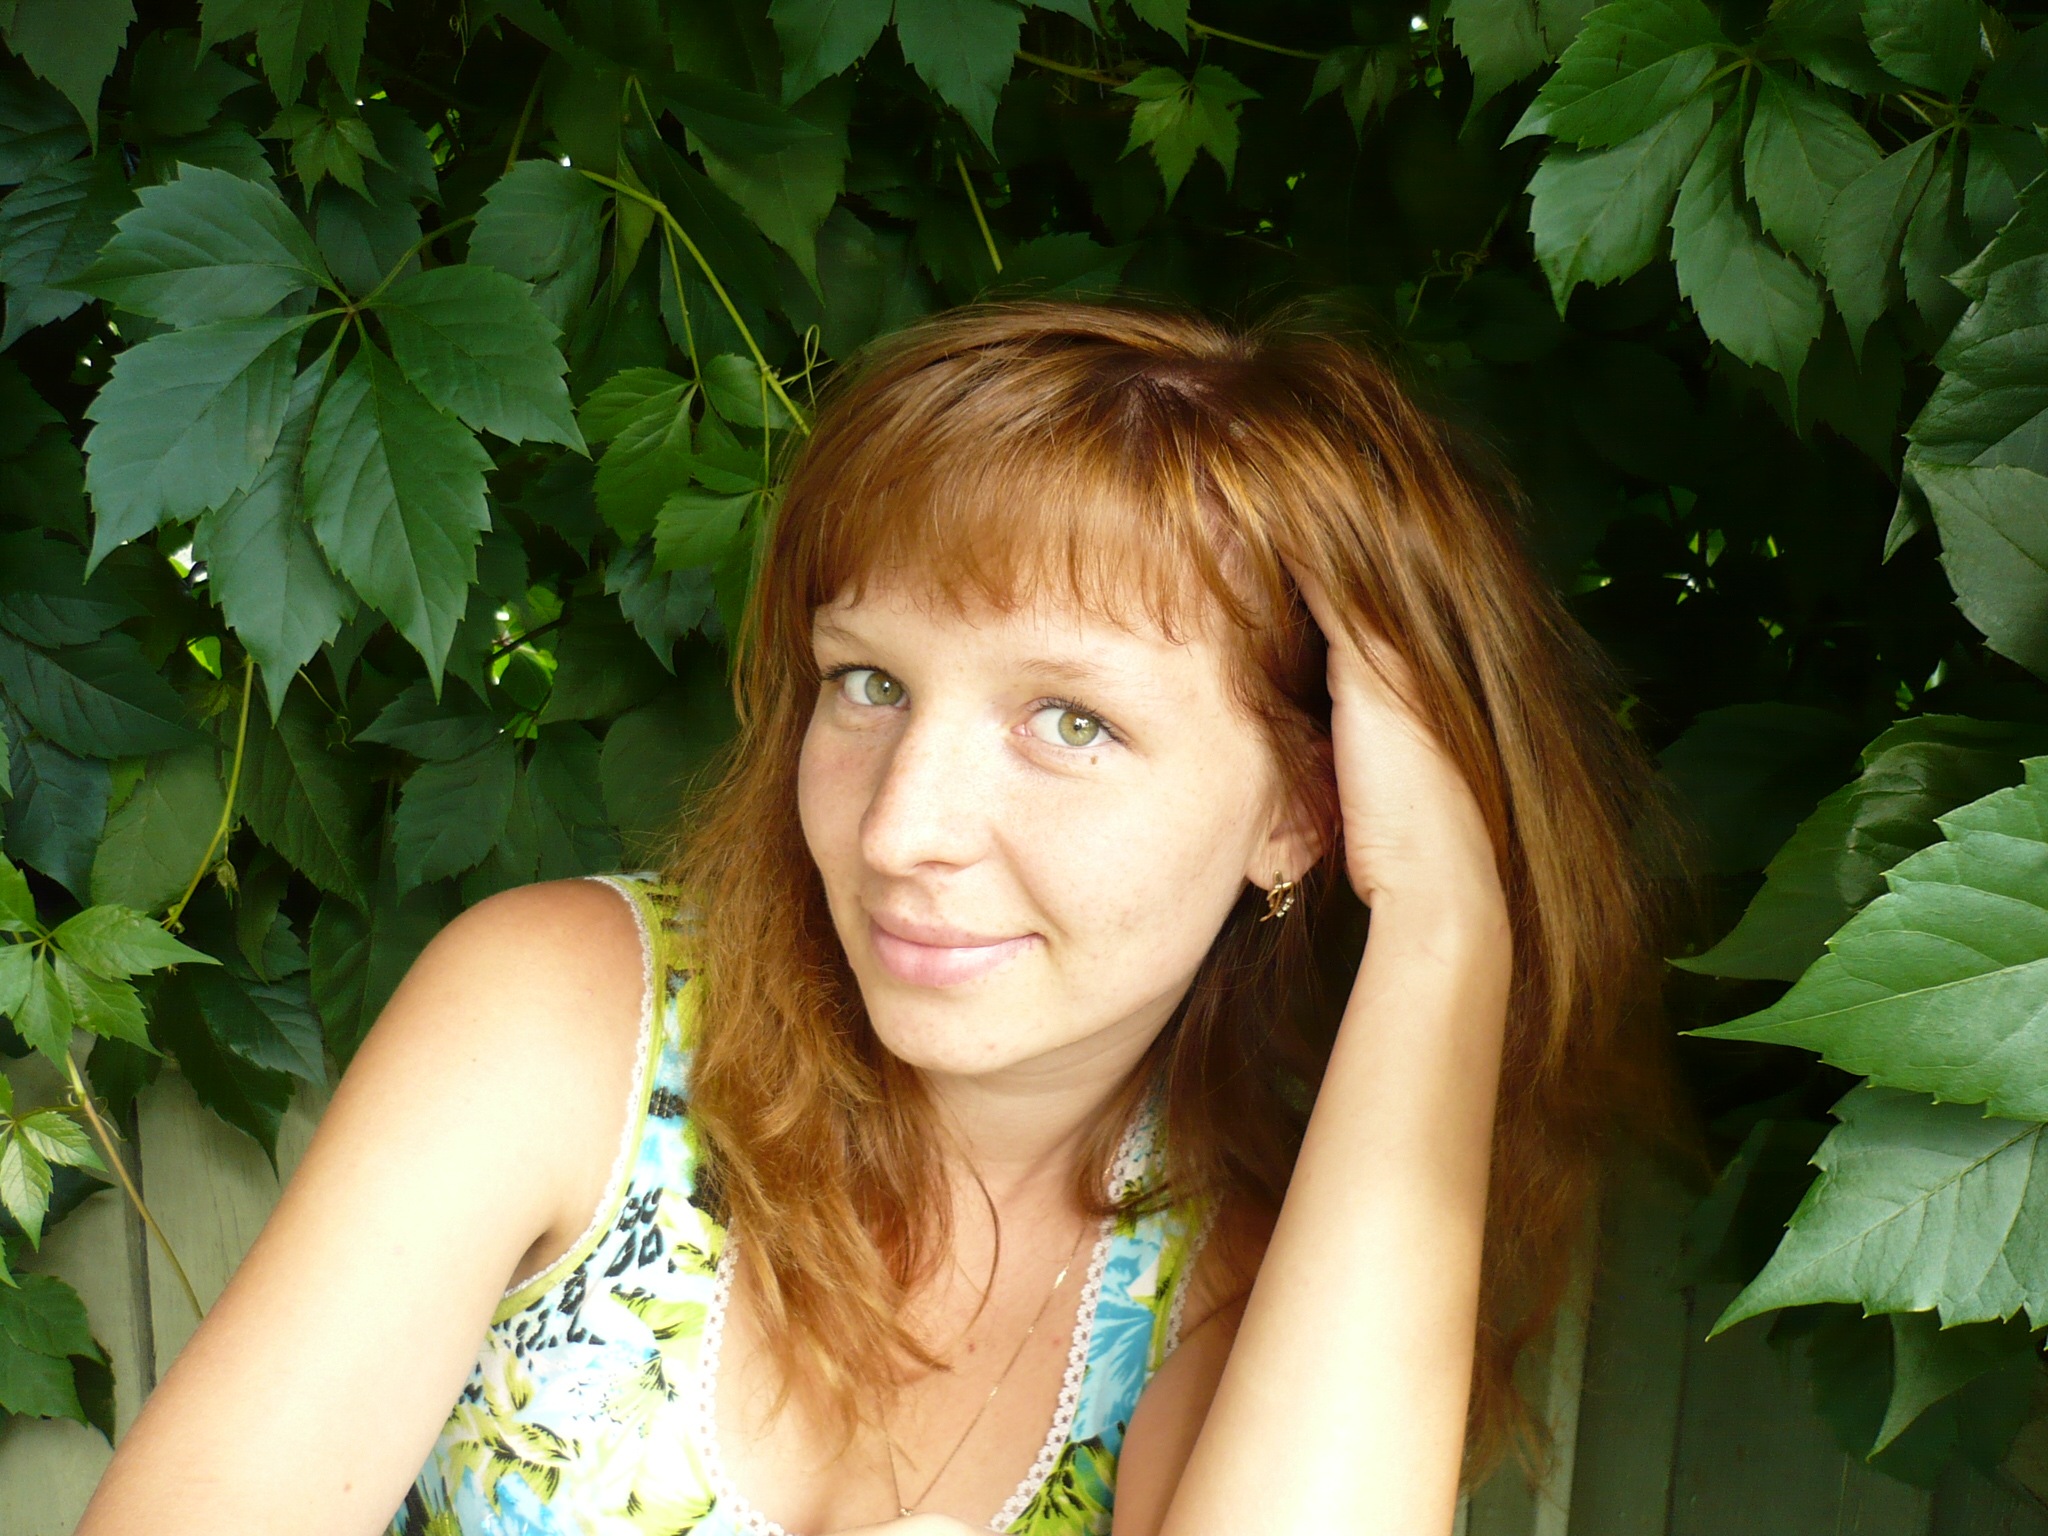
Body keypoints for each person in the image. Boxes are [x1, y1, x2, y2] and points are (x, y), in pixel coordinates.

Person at [76, 300, 1673, 1536]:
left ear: (1301, 815)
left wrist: (1446, 932)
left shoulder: (1241, 1272)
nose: (902, 828)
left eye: (1071, 722)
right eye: (869, 684)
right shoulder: (563, 1026)